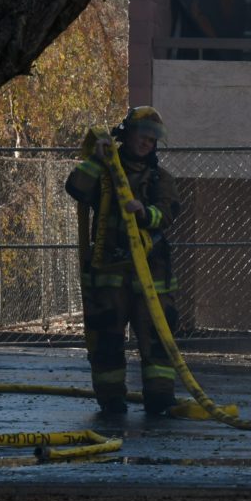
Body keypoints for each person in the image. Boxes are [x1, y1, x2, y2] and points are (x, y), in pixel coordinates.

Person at [65, 106, 181, 415]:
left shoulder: (160, 178)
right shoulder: (104, 173)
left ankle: (160, 398)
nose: (146, 142)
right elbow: (75, 188)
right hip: (109, 274)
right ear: (126, 134)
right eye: (142, 135)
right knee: (107, 338)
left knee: (157, 337)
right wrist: (96, 159)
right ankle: (111, 399)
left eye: (152, 139)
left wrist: (144, 213)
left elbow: (168, 211)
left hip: (151, 274)